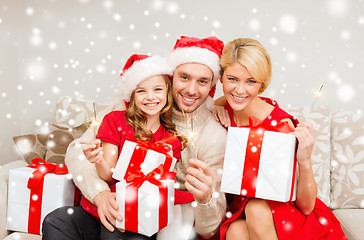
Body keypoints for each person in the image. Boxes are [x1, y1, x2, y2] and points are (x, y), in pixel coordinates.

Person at [42, 36, 227, 240]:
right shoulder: (130, 109)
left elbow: (210, 227)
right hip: (108, 208)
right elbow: (77, 152)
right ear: (171, 78)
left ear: (211, 85)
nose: (191, 90)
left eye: (202, 81)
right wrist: (100, 194)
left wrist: (206, 198)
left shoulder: (214, 135)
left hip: (151, 221)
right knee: (57, 221)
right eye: (184, 77)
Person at [212, 38, 347, 240]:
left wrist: (305, 159)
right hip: (242, 210)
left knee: (256, 208)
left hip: (287, 214)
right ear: (221, 78)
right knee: (235, 231)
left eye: (251, 81)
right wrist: (210, 109)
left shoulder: (281, 126)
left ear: (262, 84)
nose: (239, 90)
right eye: (232, 79)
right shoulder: (223, 105)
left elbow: (307, 206)